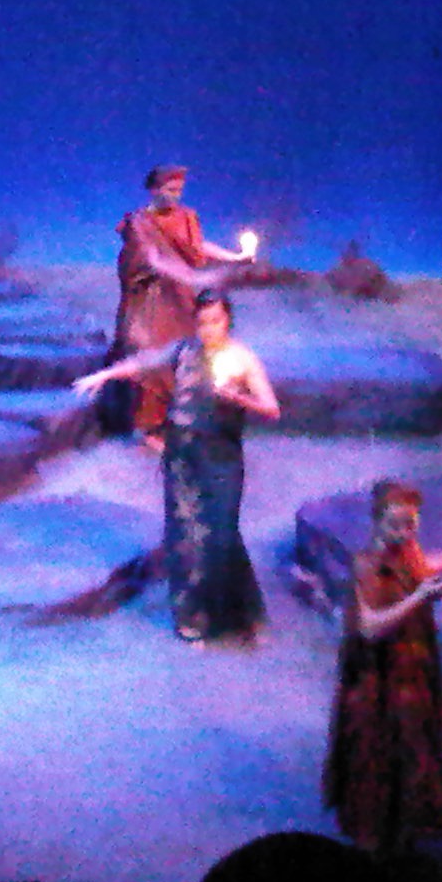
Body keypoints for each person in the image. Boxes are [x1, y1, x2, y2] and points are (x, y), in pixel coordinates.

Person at [75, 289, 279, 642]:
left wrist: (237, 398)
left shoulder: (243, 358)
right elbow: (145, 363)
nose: (208, 329)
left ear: (227, 320)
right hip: (183, 456)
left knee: (221, 533)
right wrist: (104, 376)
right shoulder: (184, 351)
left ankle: (237, 615)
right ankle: (192, 619)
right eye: (202, 322)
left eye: (215, 321)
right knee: (184, 534)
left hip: (221, 457)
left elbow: (271, 408)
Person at [321, 481, 442, 858]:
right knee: (379, 748)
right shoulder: (366, 564)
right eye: (395, 525)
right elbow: (369, 627)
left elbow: (421, 570)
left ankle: (407, 831)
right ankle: (373, 842)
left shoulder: (408, 550)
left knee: (414, 744)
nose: (404, 533)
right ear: (377, 522)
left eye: (411, 524)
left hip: (411, 666)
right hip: (379, 677)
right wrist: (420, 598)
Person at [106, 165, 254, 450]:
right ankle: (149, 429)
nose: (175, 196)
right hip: (149, 302)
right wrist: (196, 278)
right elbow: (154, 261)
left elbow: (198, 247)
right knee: (152, 356)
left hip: (180, 299)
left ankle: (180, 423)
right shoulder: (139, 222)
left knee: (185, 356)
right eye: (170, 190)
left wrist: (234, 258)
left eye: (179, 191)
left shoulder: (187, 217)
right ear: (154, 190)